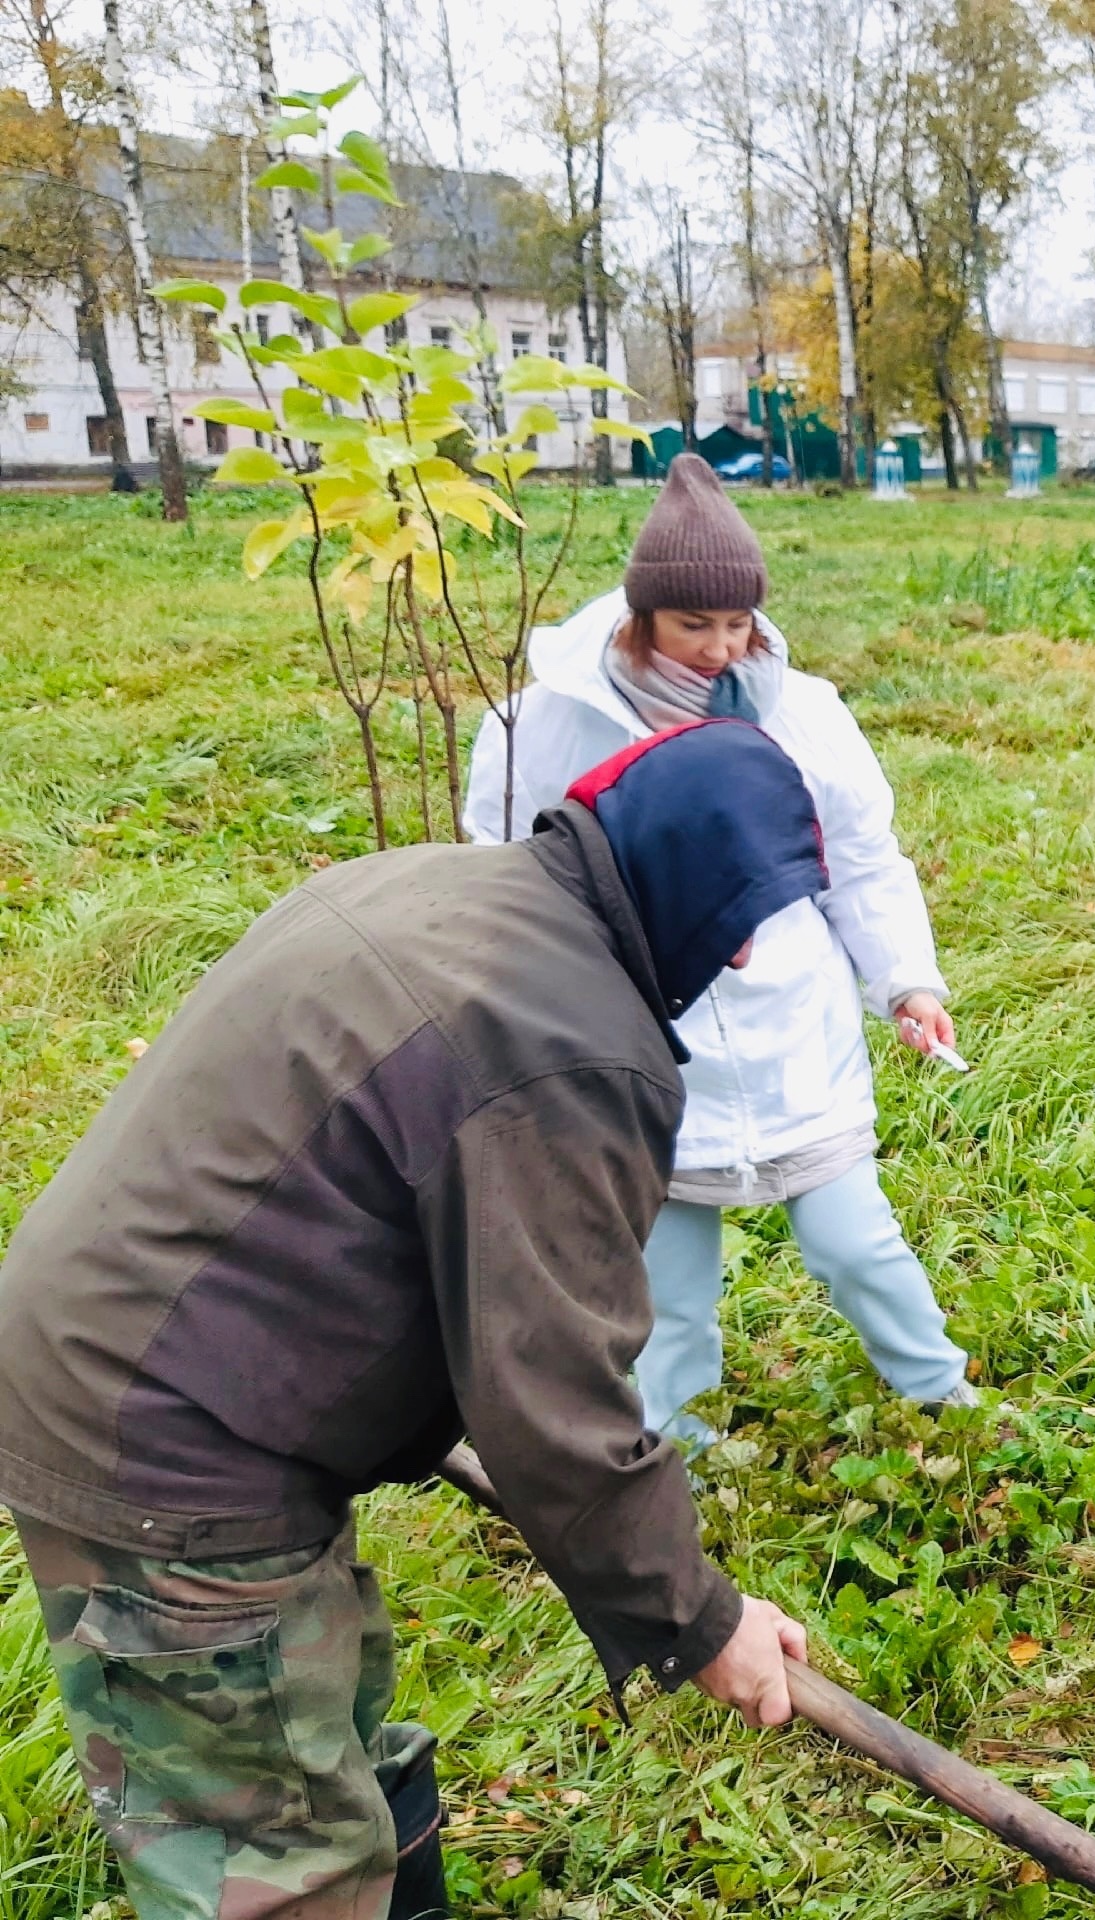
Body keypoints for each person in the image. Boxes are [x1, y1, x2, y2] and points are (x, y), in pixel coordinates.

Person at [0, 722, 830, 1920]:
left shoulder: (431, 882)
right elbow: (556, 1406)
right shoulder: (565, 1048)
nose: (747, 952)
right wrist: (700, 1623)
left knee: (328, 1729)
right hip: (164, 1445)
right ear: (694, 889)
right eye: (745, 909)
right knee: (280, 1864)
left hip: (127, 1349)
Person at [464, 454, 972, 1439]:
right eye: (693, 624)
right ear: (641, 614)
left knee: (854, 1243)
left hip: (794, 1029)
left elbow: (862, 860)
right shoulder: (551, 719)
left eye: (736, 624)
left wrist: (906, 983)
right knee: (665, 1276)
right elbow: (501, 868)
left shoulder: (801, 712)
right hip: (644, 1036)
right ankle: (669, 1443)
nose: (718, 647)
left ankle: (941, 1397)